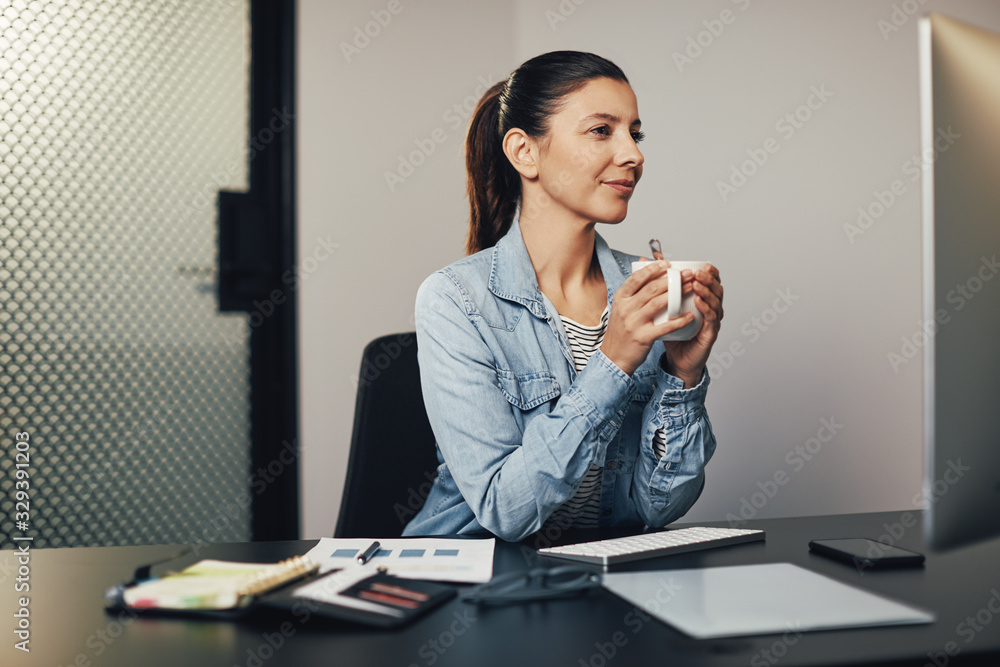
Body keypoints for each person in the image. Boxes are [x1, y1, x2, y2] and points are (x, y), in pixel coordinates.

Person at [402, 51, 724, 542]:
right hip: (478, 586)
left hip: (592, 581)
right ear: (524, 152)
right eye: (602, 130)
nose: (633, 155)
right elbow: (504, 511)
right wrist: (613, 363)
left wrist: (684, 373)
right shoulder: (455, 300)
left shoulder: (644, 294)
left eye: (634, 134)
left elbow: (656, 509)